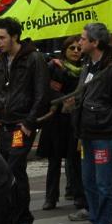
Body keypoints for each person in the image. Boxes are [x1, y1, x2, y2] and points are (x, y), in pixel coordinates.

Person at [67, 22, 112, 224]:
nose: (79, 42)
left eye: (84, 39)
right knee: (90, 183)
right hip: (87, 135)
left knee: (105, 184)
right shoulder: (88, 67)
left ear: (95, 43)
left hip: (105, 135)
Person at [0, 17, 47, 224]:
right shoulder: (1, 59)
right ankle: (13, 214)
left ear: (14, 36)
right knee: (7, 169)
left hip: (21, 125)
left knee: (15, 166)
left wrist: (29, 123)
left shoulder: (34, 59)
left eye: (2, 37)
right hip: (3, 124)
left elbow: (41, 94)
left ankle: (24, 217)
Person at [36, 36, 83, 211]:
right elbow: (47, 90)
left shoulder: (84, 69)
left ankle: (79, 195)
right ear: (65, 50)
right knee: (54, 161)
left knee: (76, 160)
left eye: (79, 48)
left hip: (74, 120)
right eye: (72, 48)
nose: (76, 51)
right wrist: (62, 102)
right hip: (56, 119)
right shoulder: (55, 67)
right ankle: (51, 197)